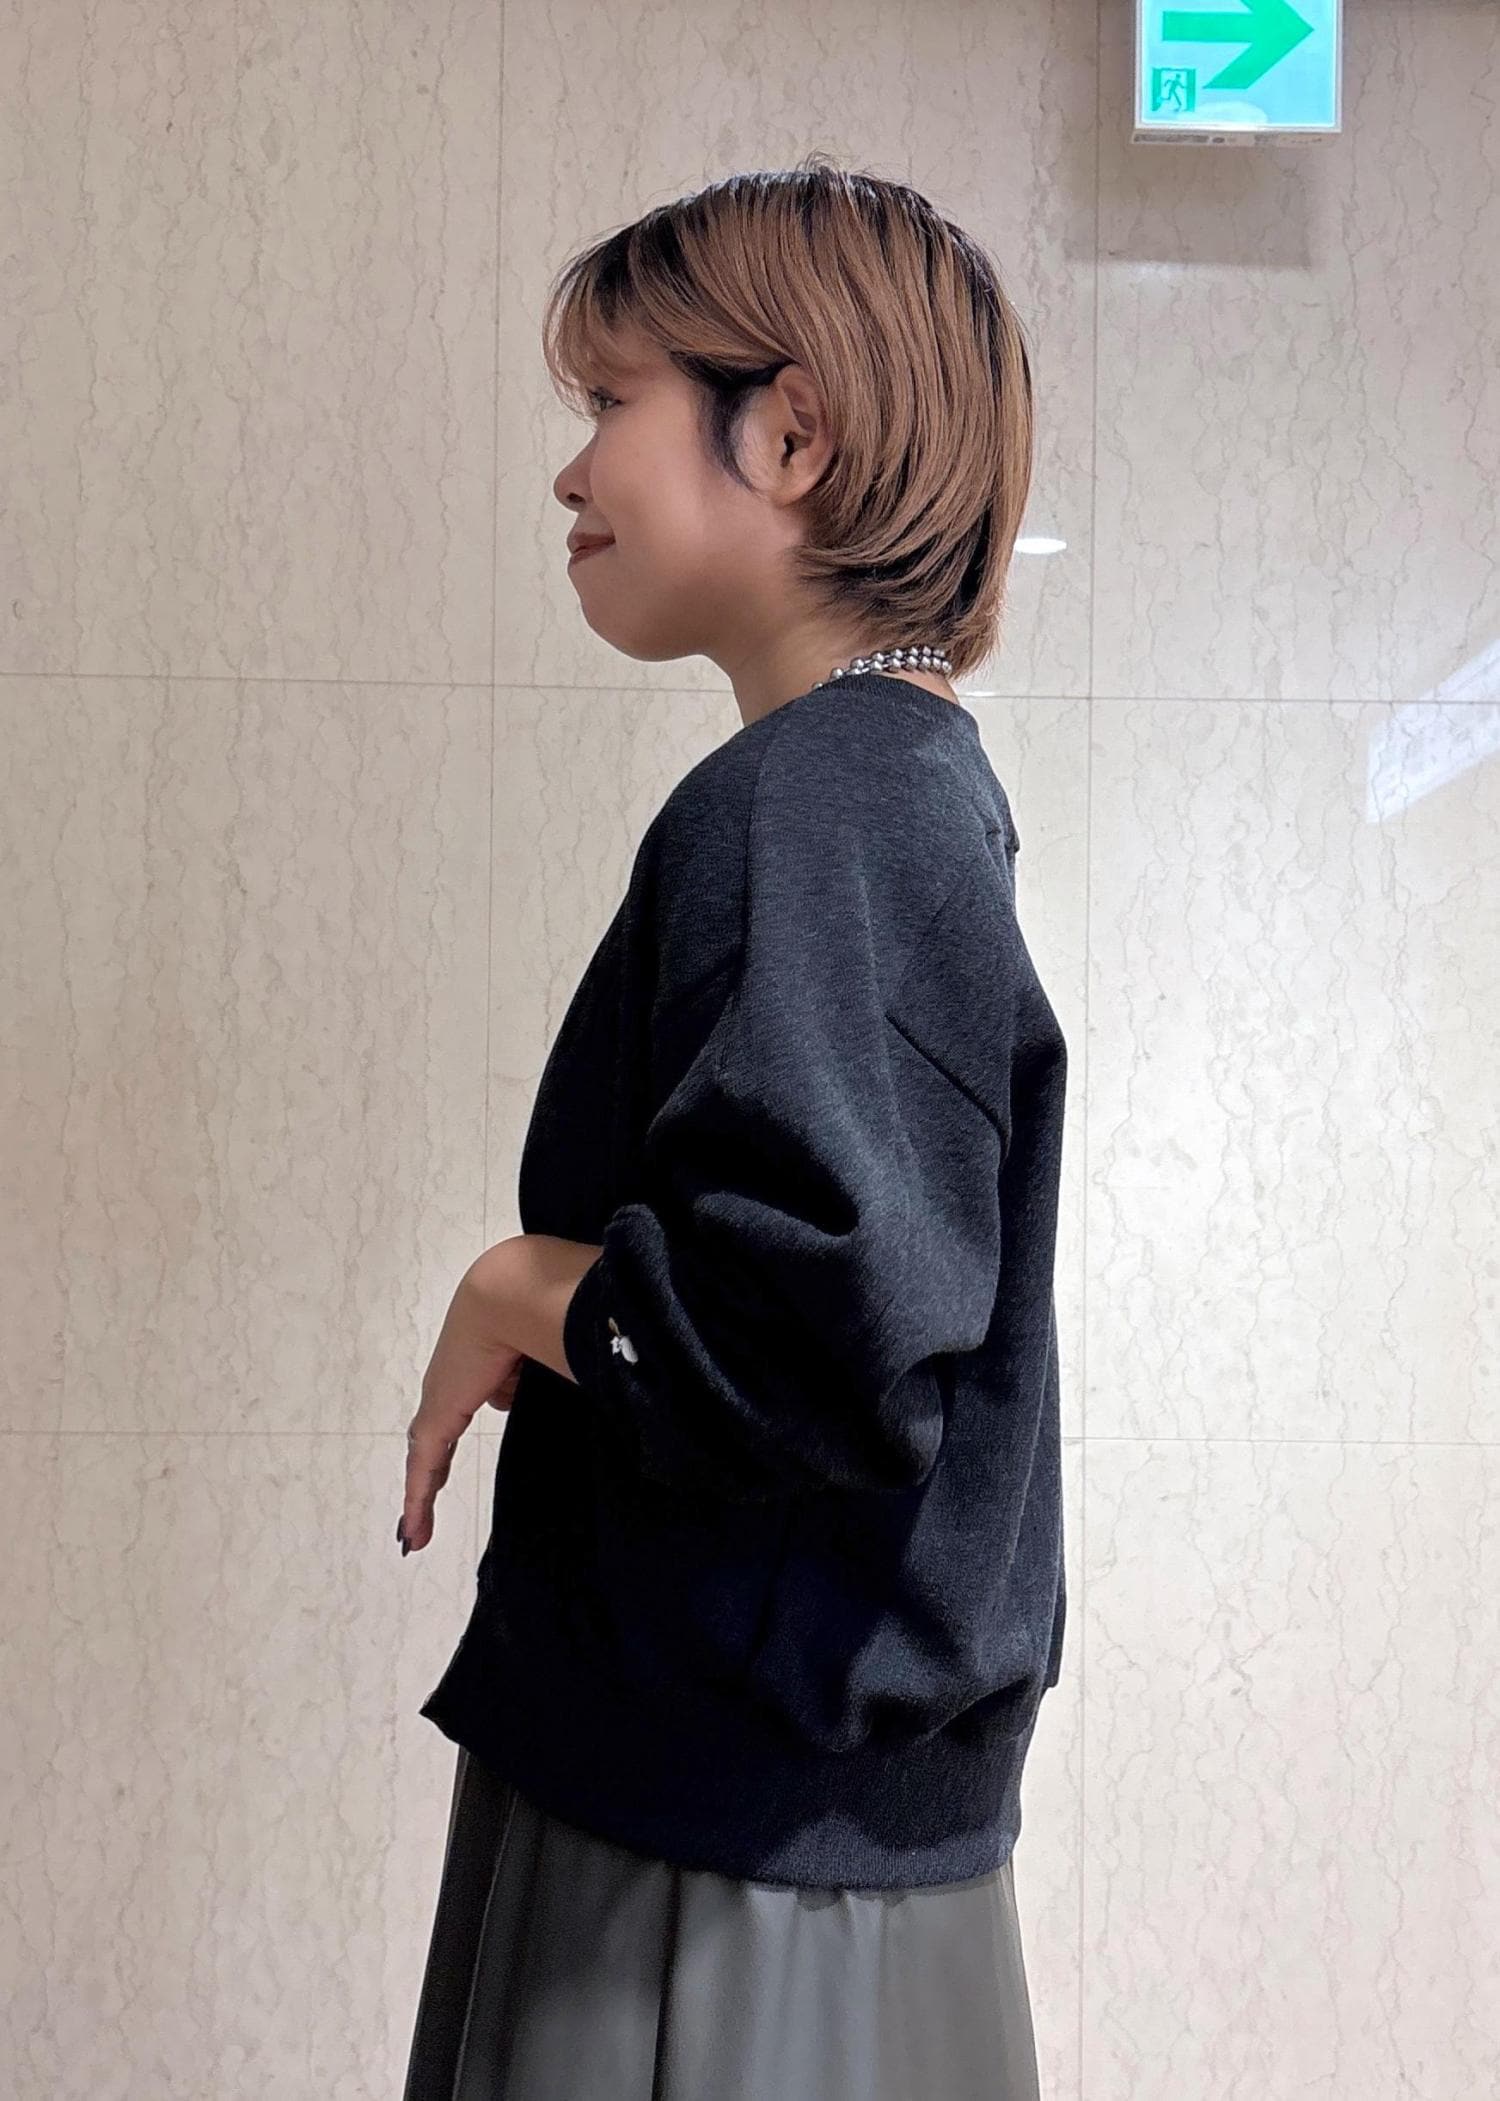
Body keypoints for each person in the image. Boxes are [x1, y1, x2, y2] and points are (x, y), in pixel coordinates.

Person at [399, 152, 1067, 2101]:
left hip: (728, 1864)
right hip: (781, 1839)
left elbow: (801, 1345)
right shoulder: (890, 786)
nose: (571, 470)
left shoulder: (815, 802)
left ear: (790, 433)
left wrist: (515, 1286)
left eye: (610, 401)